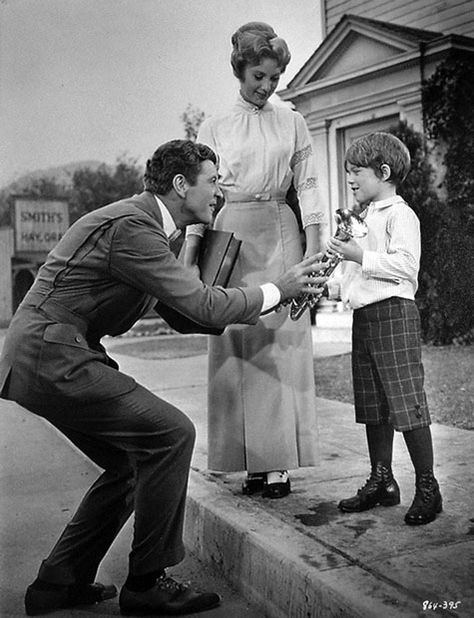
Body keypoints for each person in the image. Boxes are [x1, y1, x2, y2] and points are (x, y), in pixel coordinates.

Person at [0, 139, 326, 616]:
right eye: (213, 181)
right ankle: (146, 583)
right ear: (180, 184)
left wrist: (259, 310)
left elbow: (180, 314)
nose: (220, 192)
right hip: (52, 353)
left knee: (131, 461)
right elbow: (199, 304)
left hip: (46, 354)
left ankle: (57, 583)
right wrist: (280, 286)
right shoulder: (135, 227)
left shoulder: (153, 229)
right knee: (171, 433)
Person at [184, 22, 325, 499]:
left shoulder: (293, 120)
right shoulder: (214, 125)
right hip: (235, 237)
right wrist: (192, 249)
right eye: (257, 77)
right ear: (239, 71)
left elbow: (306, 184)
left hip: (283, 230)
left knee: (282, 343)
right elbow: (203, 195)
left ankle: (279, 464)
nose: (265, 87)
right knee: (239, 341)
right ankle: (248, 461)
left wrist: (313, 243)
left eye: (273, 79)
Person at [326, 131, 442, 526]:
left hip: (394, 315)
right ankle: (382, 480)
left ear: (384, 171)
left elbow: (407, 267)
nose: (351, 180)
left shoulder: (400, 214)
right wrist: (325, 283)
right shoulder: (362, 217)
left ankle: (428, 485)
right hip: (366, 317)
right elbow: (354, 276)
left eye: (357, 172)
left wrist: (359, 253)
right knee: (373, 404)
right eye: (349, 173)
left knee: (405, 400)